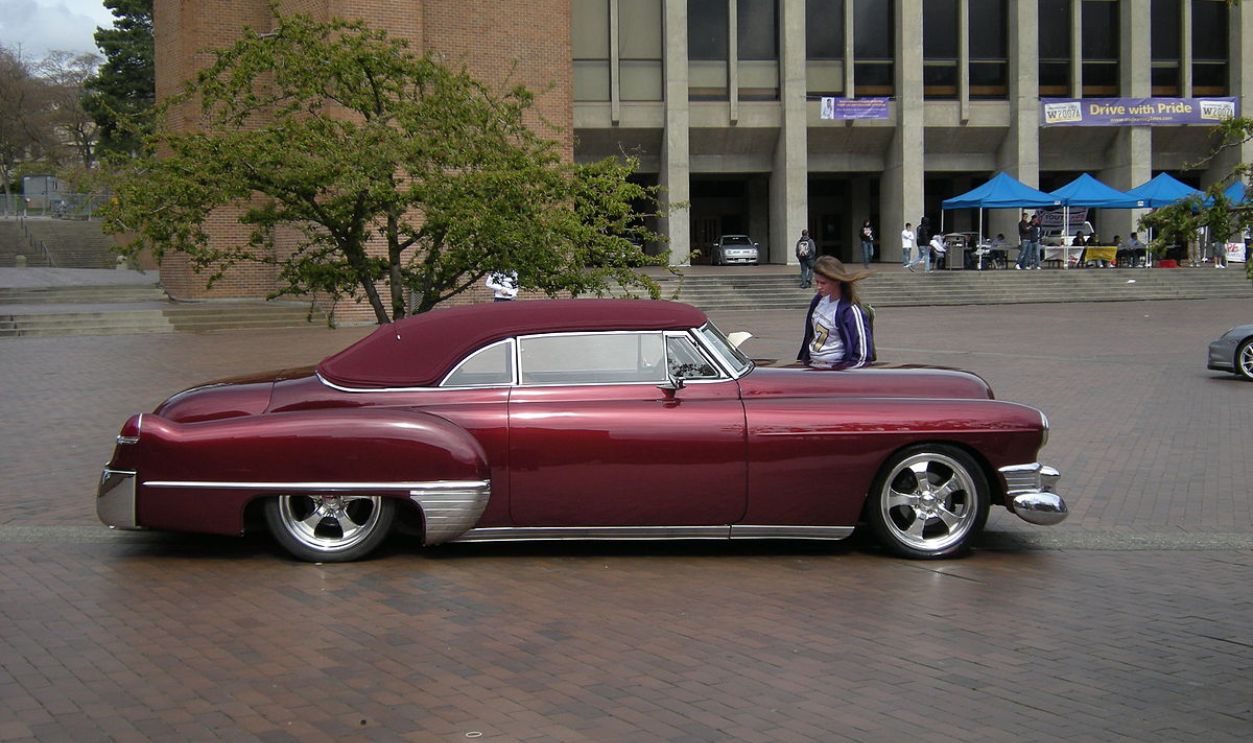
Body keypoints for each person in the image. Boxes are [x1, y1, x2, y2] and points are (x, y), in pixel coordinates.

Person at [797, 255, 875, 369]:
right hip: (813, 365)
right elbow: (810, 336)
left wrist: (841, 371)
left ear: (837, 281)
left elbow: (863, 356)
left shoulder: (850, 311)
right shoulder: (818, 301)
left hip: (835, 369)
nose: (818, 287)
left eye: (823, 283)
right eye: (816, 282)